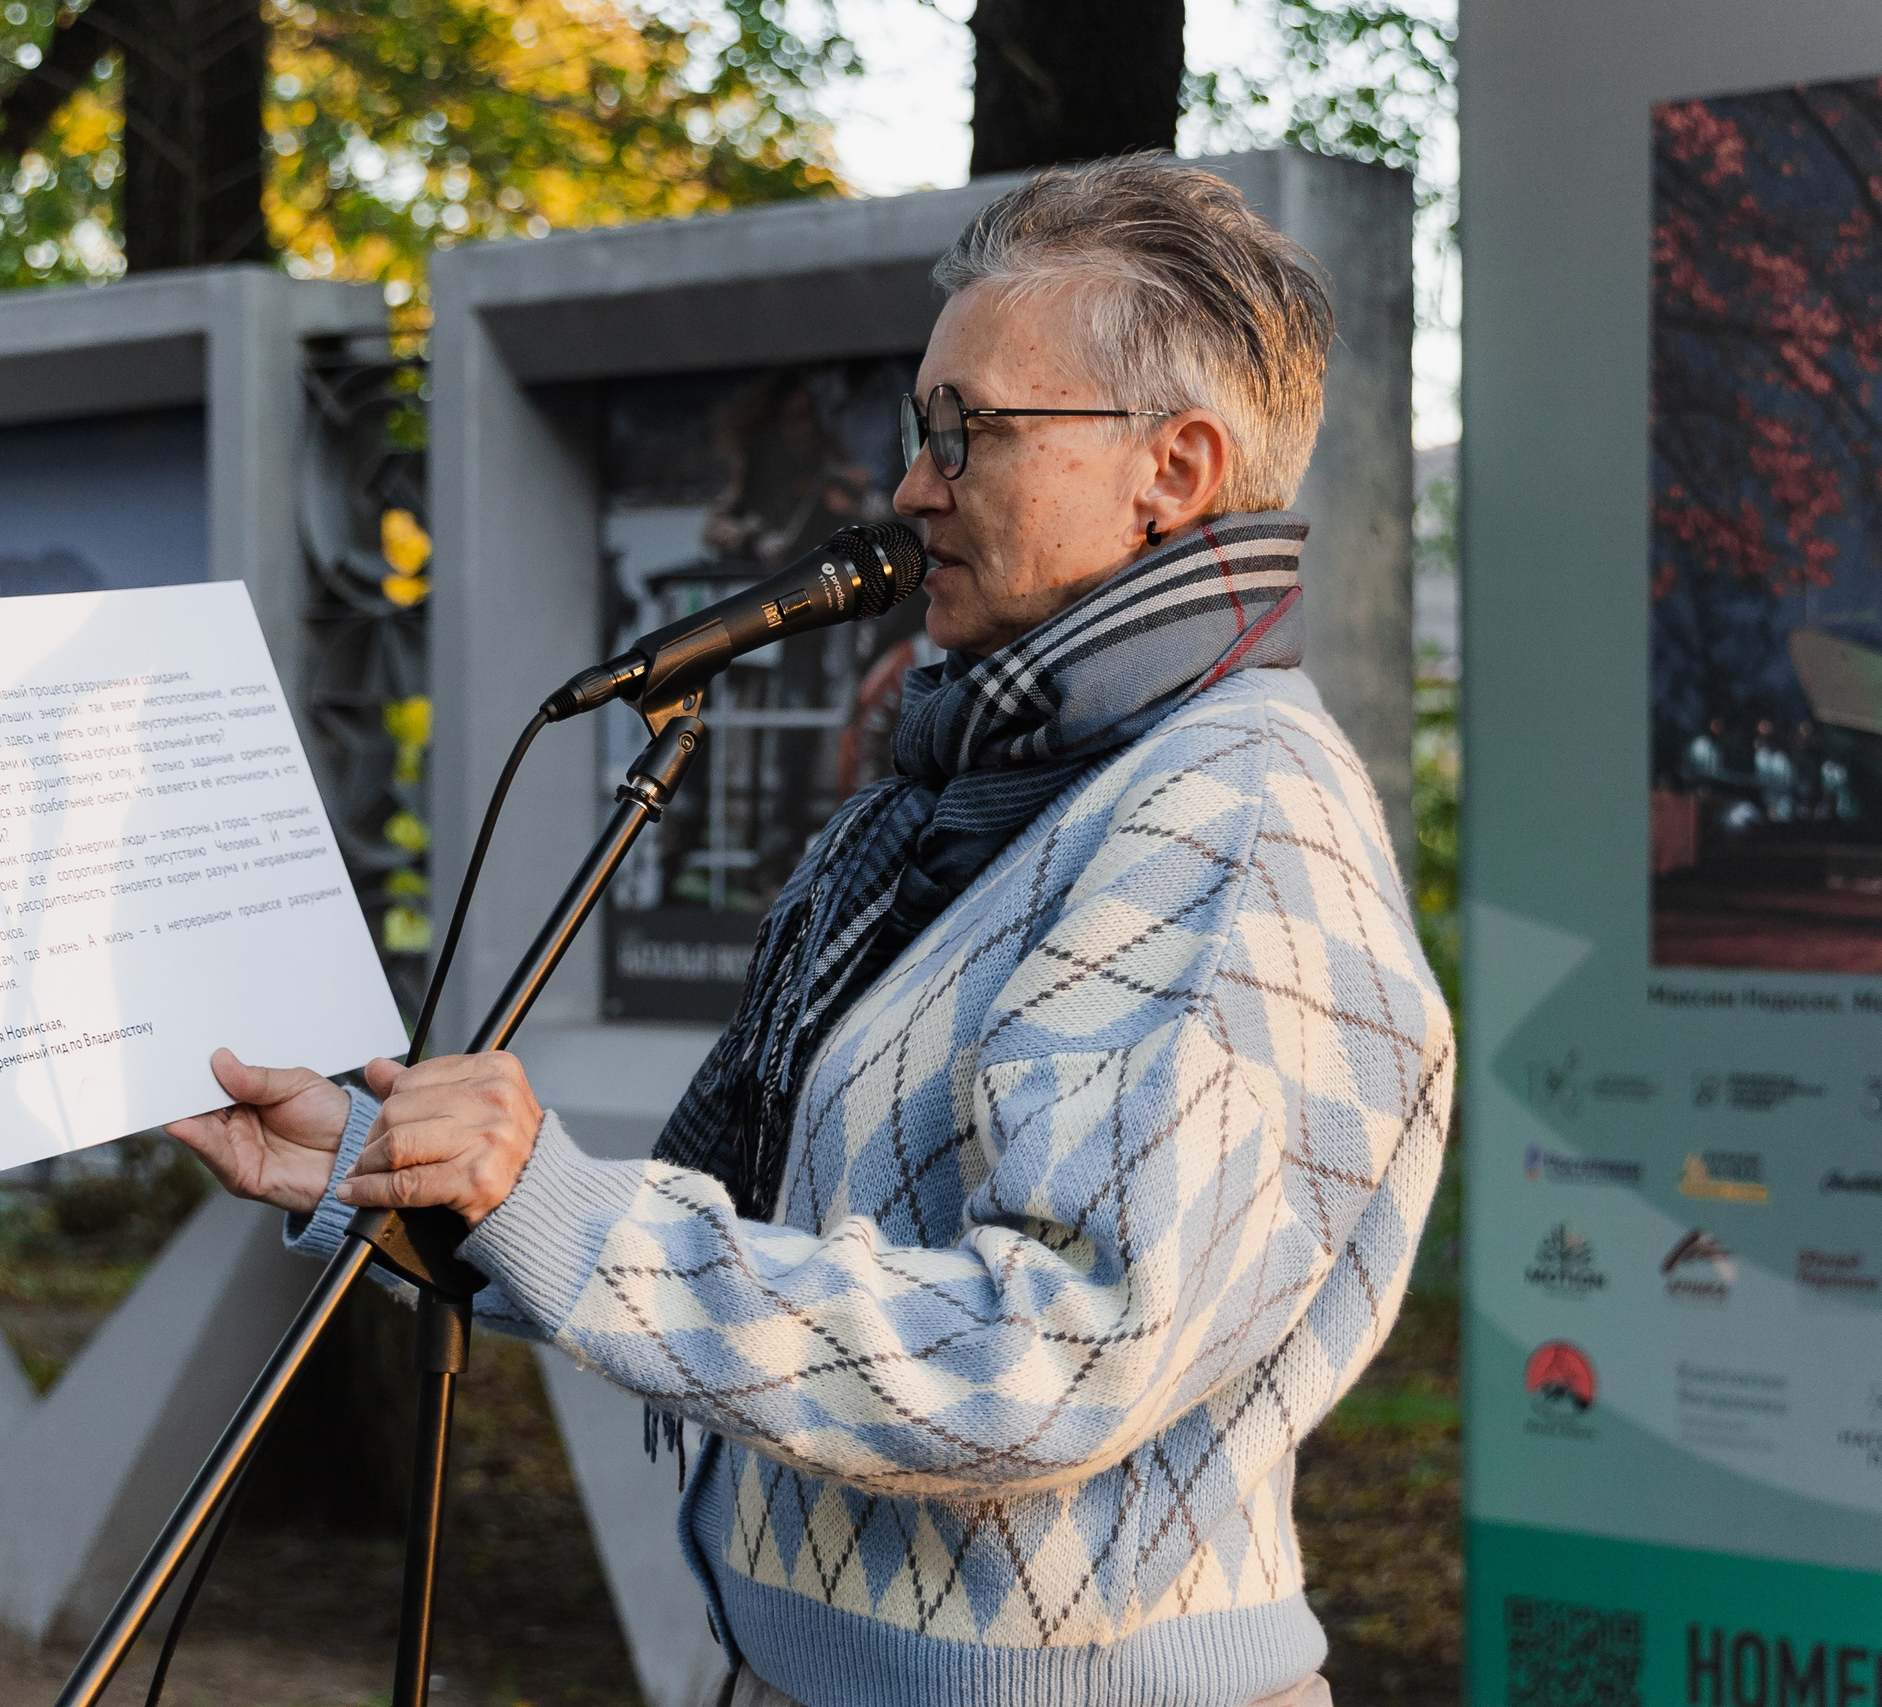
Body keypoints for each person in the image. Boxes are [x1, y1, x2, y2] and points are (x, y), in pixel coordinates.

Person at [168, 156, 1454, 1707]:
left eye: (969, 431)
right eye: (925, 429)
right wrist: (386, 1180)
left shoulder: (1228, 814)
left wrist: (567, 1207)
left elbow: (1049, 1358)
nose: (914, 485)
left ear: (1171, 470)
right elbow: (792, 1246)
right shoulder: (997, 790)